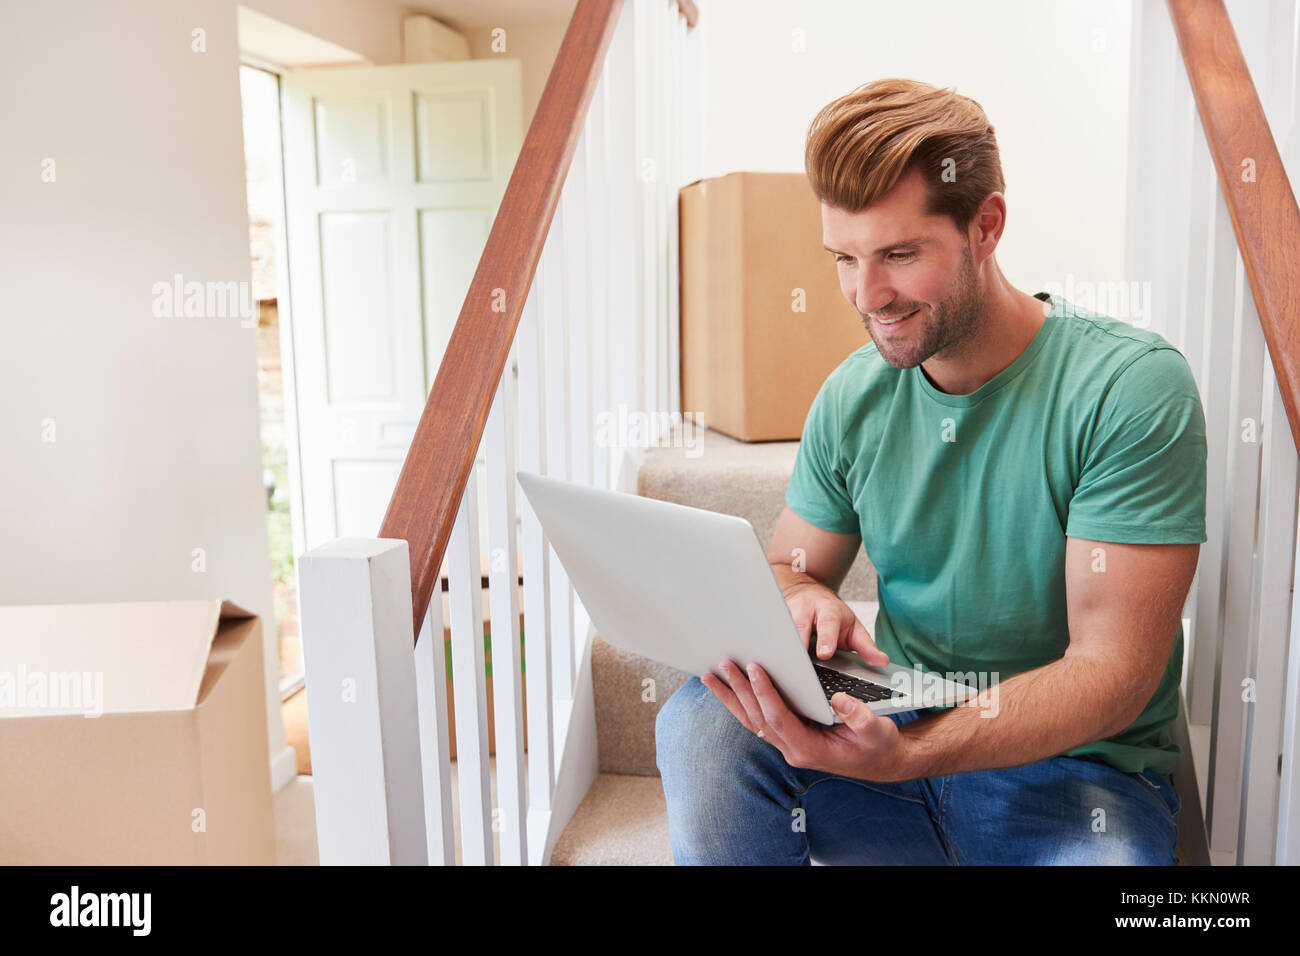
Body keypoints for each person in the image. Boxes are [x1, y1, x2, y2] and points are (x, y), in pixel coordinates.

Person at [655, 78, 1205, 865]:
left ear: (986, 226)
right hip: (895, 743)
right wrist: (808, 596)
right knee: (701, 723)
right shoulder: (854, 394)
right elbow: (787, 563)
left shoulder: (1127, 387)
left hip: (1073, 783)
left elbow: (1111, 673)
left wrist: (913, 755)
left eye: (899, 255)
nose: (866, 294)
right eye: (844, 258)